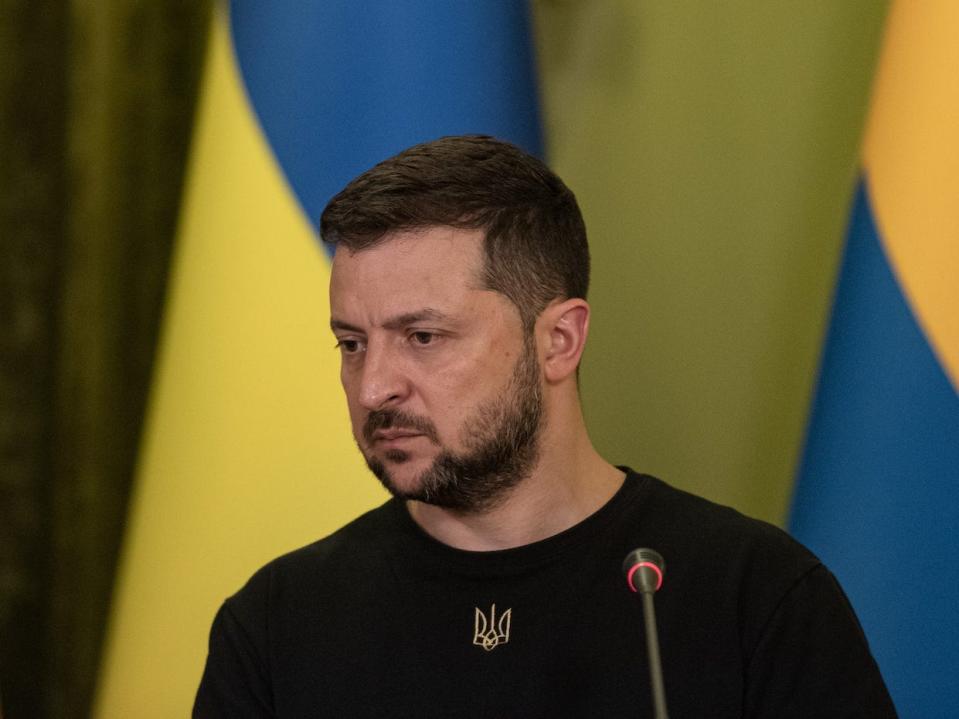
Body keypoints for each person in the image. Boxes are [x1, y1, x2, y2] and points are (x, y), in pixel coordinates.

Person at [193, 135, 896, 717]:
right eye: (351, 342)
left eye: (424, 337)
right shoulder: (278, 624)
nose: (373, 384)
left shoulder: (753, 598)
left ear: (558, 340)